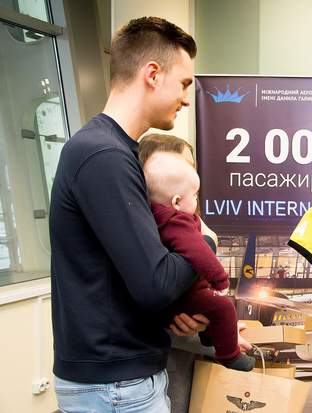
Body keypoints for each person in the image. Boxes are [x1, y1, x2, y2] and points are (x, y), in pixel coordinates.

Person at [50, 17, 208, 412]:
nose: (186, 98)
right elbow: (155, 283)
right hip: (116, 388)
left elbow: (126, 277)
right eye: (183, 84)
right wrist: (204, 242)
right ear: (152, 74)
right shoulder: (105, 156)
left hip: (116, 382)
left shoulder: (110, 152)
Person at [143, 151, 255, 371]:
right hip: (184, 303)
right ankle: (230, 356)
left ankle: (209, 336)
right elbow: (199, 252)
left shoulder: (153, 218)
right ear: (176, 200)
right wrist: (220, 280)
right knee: (223, 306)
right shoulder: (178, 222)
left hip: (175, 306)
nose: (196, 199)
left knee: (214, 308)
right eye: (194, 194)